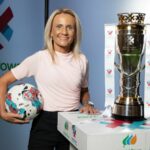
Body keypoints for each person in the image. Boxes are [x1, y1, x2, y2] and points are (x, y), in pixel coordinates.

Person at [0, 8, 98, 150]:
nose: (64, 32)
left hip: (73, 122)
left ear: (75, 32)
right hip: (44, 123)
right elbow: (3, 81)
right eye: (59, 26)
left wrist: (87, 103)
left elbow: (84, 91)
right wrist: (2, 112)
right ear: (51, 32)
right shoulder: (39, 58)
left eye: (69, 27)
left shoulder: (82, 60)